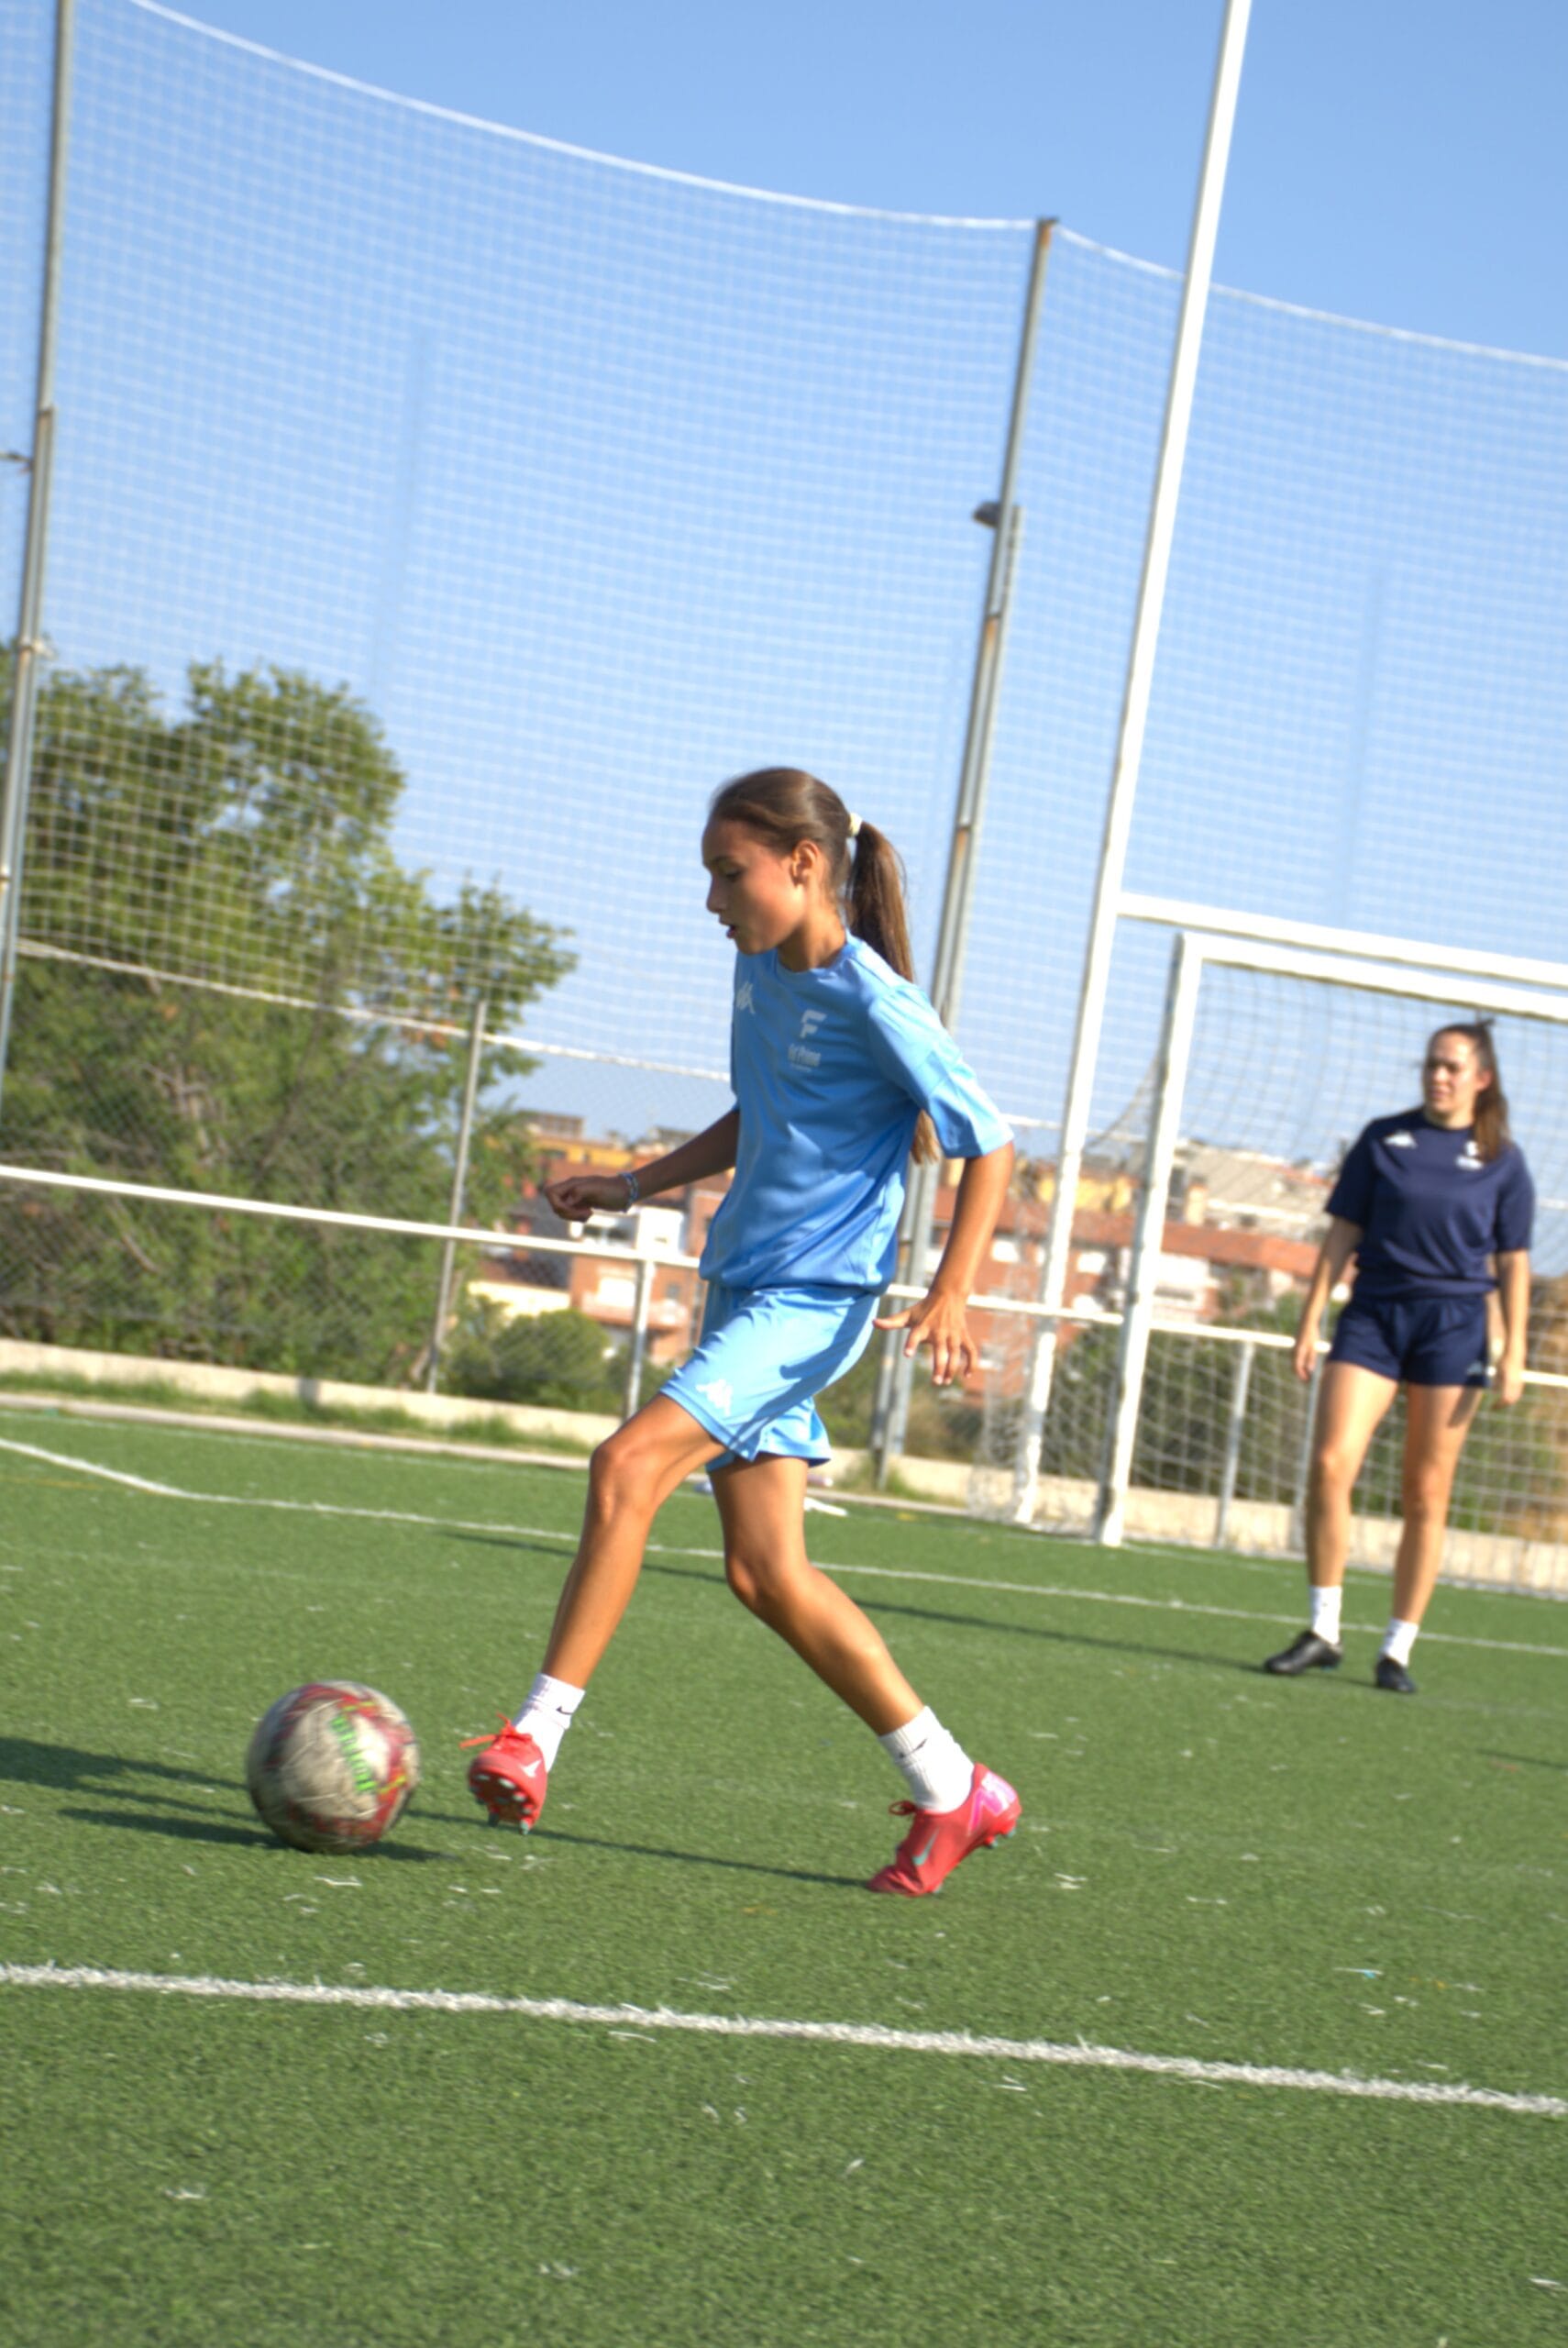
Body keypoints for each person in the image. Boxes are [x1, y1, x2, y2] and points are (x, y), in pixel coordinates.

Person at [464, 768, 1021, 1894]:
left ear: (803, 865)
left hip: (813, 1306)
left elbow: (990, 1143)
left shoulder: (878, 999)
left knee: (626, 1467)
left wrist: (954, 1288)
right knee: (766, 1574)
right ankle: (955, 1786)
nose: (714, 900)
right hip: (743, 1290)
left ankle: (534, 1736)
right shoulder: (759, 970)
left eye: (731, 874)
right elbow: (756, 1110)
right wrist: (636, 1183)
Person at [1265, 1022, 1533, 1693]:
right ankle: (1324, 1629)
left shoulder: (1503, 1159)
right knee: (1330, 1465)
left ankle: (1397, 1650)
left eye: (1451, 1066)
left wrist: (1515, 1349)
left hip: (1455, 1328)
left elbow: (1513, 1261)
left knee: (1426, 1490)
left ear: (1481, 1078)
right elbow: (1341, 1234)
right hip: (1373, 1319)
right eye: (1431, 1064)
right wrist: (1310, 1320)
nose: (1437, 1075)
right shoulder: (1383, 1139)